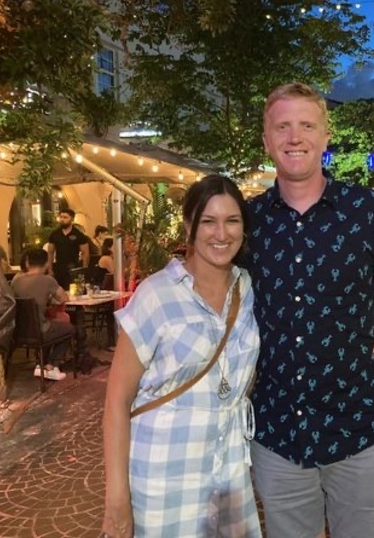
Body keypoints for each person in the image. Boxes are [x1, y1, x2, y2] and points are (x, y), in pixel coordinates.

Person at [246, 83, 374, 538]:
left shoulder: (368, 210)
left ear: (325, 136)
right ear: (267, 140)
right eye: (282, 126)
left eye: (306, 125)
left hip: (361, 423)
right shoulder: (250, 220)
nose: (294, 136)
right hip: (279, 429)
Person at [101, 175, 262, 538]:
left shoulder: (249, 287)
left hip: (230, 470)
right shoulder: (156, 295)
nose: (221, 233)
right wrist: (117, 497)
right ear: (189, 226)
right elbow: (116, 402)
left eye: (232, 220)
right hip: (164, 476)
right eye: (208, 221)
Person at [11, 248, 74, 380]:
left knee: (51, 325)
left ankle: (40, 364)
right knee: (69, 329)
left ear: (27, 262)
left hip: (18, 331)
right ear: (46, 264)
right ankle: (51, 365)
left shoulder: (16, 280)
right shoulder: (48, 280)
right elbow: (64, 298)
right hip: (41, 331)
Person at [47, 208, 90, 290]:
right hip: (59, 267)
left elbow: (85, 253)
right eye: (61, 217)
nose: (62, 219)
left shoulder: (78, 235)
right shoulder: (55, 234)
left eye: (65, 217)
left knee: (73, 290)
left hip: (73, 267)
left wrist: (84, 270)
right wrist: (50, 269)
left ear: (72, 219)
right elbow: (50, 252)